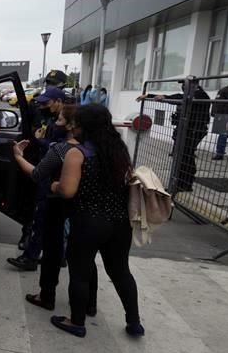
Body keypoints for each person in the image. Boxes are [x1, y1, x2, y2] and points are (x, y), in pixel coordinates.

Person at [49, 104, 144, 338]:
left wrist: (54, 185)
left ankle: (77, 322)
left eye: (75, 123)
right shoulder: (119, 150)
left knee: (80, 272)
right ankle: (134, 323)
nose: (72, 126)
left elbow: (68, 191)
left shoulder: (78, 153)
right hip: (120, 223)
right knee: (121, 272)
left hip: (88, 221)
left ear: (85, 125)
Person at [13, 105, 98, 314]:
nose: (55, 124)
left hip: (59, 206)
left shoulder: (62, 150)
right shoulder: (96, 148)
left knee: (52, 252)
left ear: (72, 126)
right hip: (89, 211)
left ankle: (46, 295)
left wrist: (18, 156)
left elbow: (38, 173)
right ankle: (89, 304)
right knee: (85, 259)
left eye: (59, 121)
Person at [8, 86, 66, 271]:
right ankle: (55, 255)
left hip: (52, 174)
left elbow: (59, 147)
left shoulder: (66, 121)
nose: (43, 106)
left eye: (47, 102)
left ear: (58, 101)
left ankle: (31, 257)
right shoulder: (50, 117)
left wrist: (36, 141)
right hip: (48, 171)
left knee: (42, 218)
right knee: (49, 221)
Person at [139, 80, 210, 192]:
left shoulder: (200, 95)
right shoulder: (190, 95)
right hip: (185, 130)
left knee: (186, 156)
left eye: (185, 85)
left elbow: (180, 98)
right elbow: (179, 97)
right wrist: (150, 96)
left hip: (193, 131)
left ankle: (185, 183)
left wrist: (160, 96)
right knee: (181, 156)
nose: (183, 88)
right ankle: (180, 182)